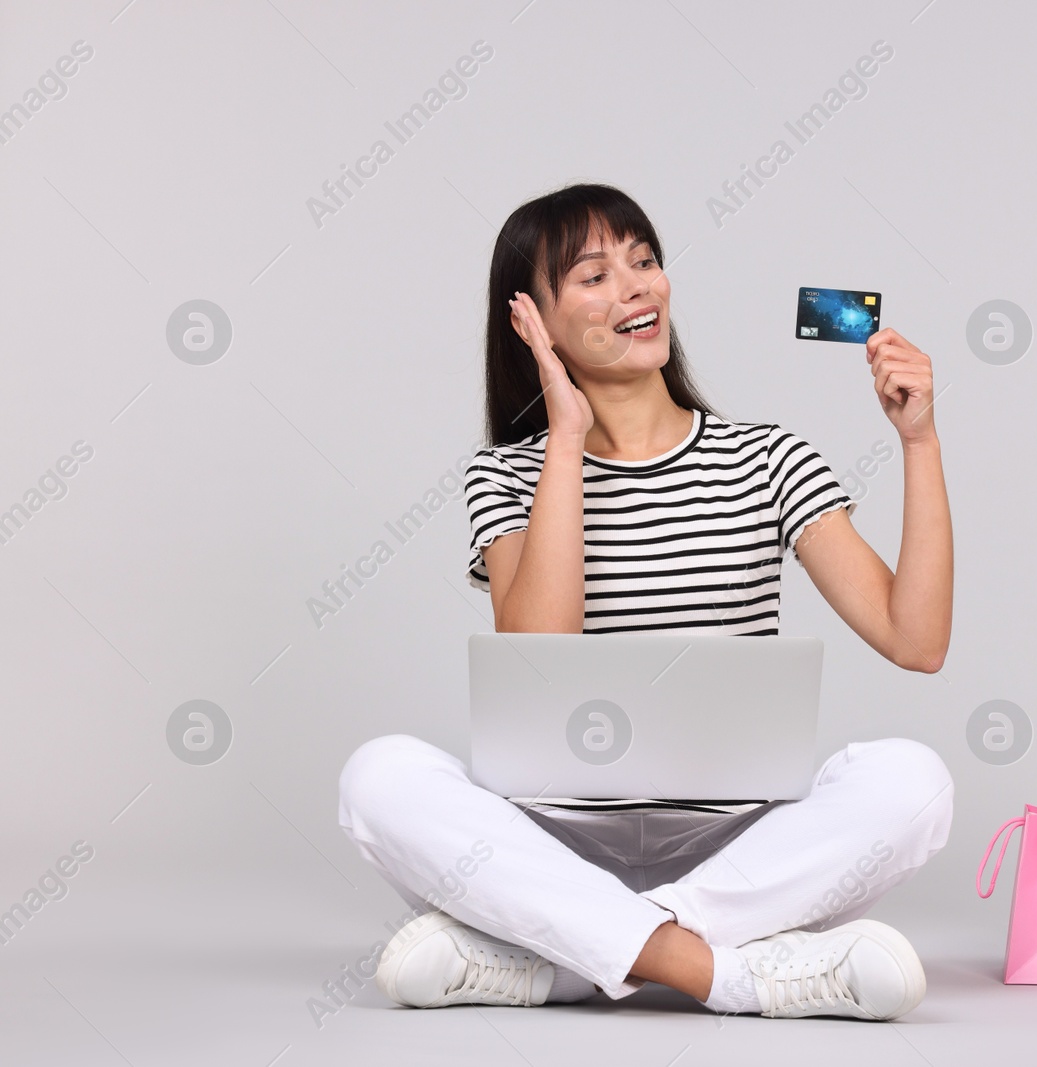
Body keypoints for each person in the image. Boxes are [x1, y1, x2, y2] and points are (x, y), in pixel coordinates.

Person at [337, 183, 955, 1020]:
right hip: (554, 840)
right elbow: (541, 648)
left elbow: (914, 639)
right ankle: (723, 975)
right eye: (593, 275)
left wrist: (918, 441)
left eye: (645, 260)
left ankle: (562, 960)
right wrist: (565, 433)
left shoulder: (766, 458)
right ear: (534, 321)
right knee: (378, 777)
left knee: (913, 782)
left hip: (736, 849)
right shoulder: (509, 475)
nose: (636, 287)